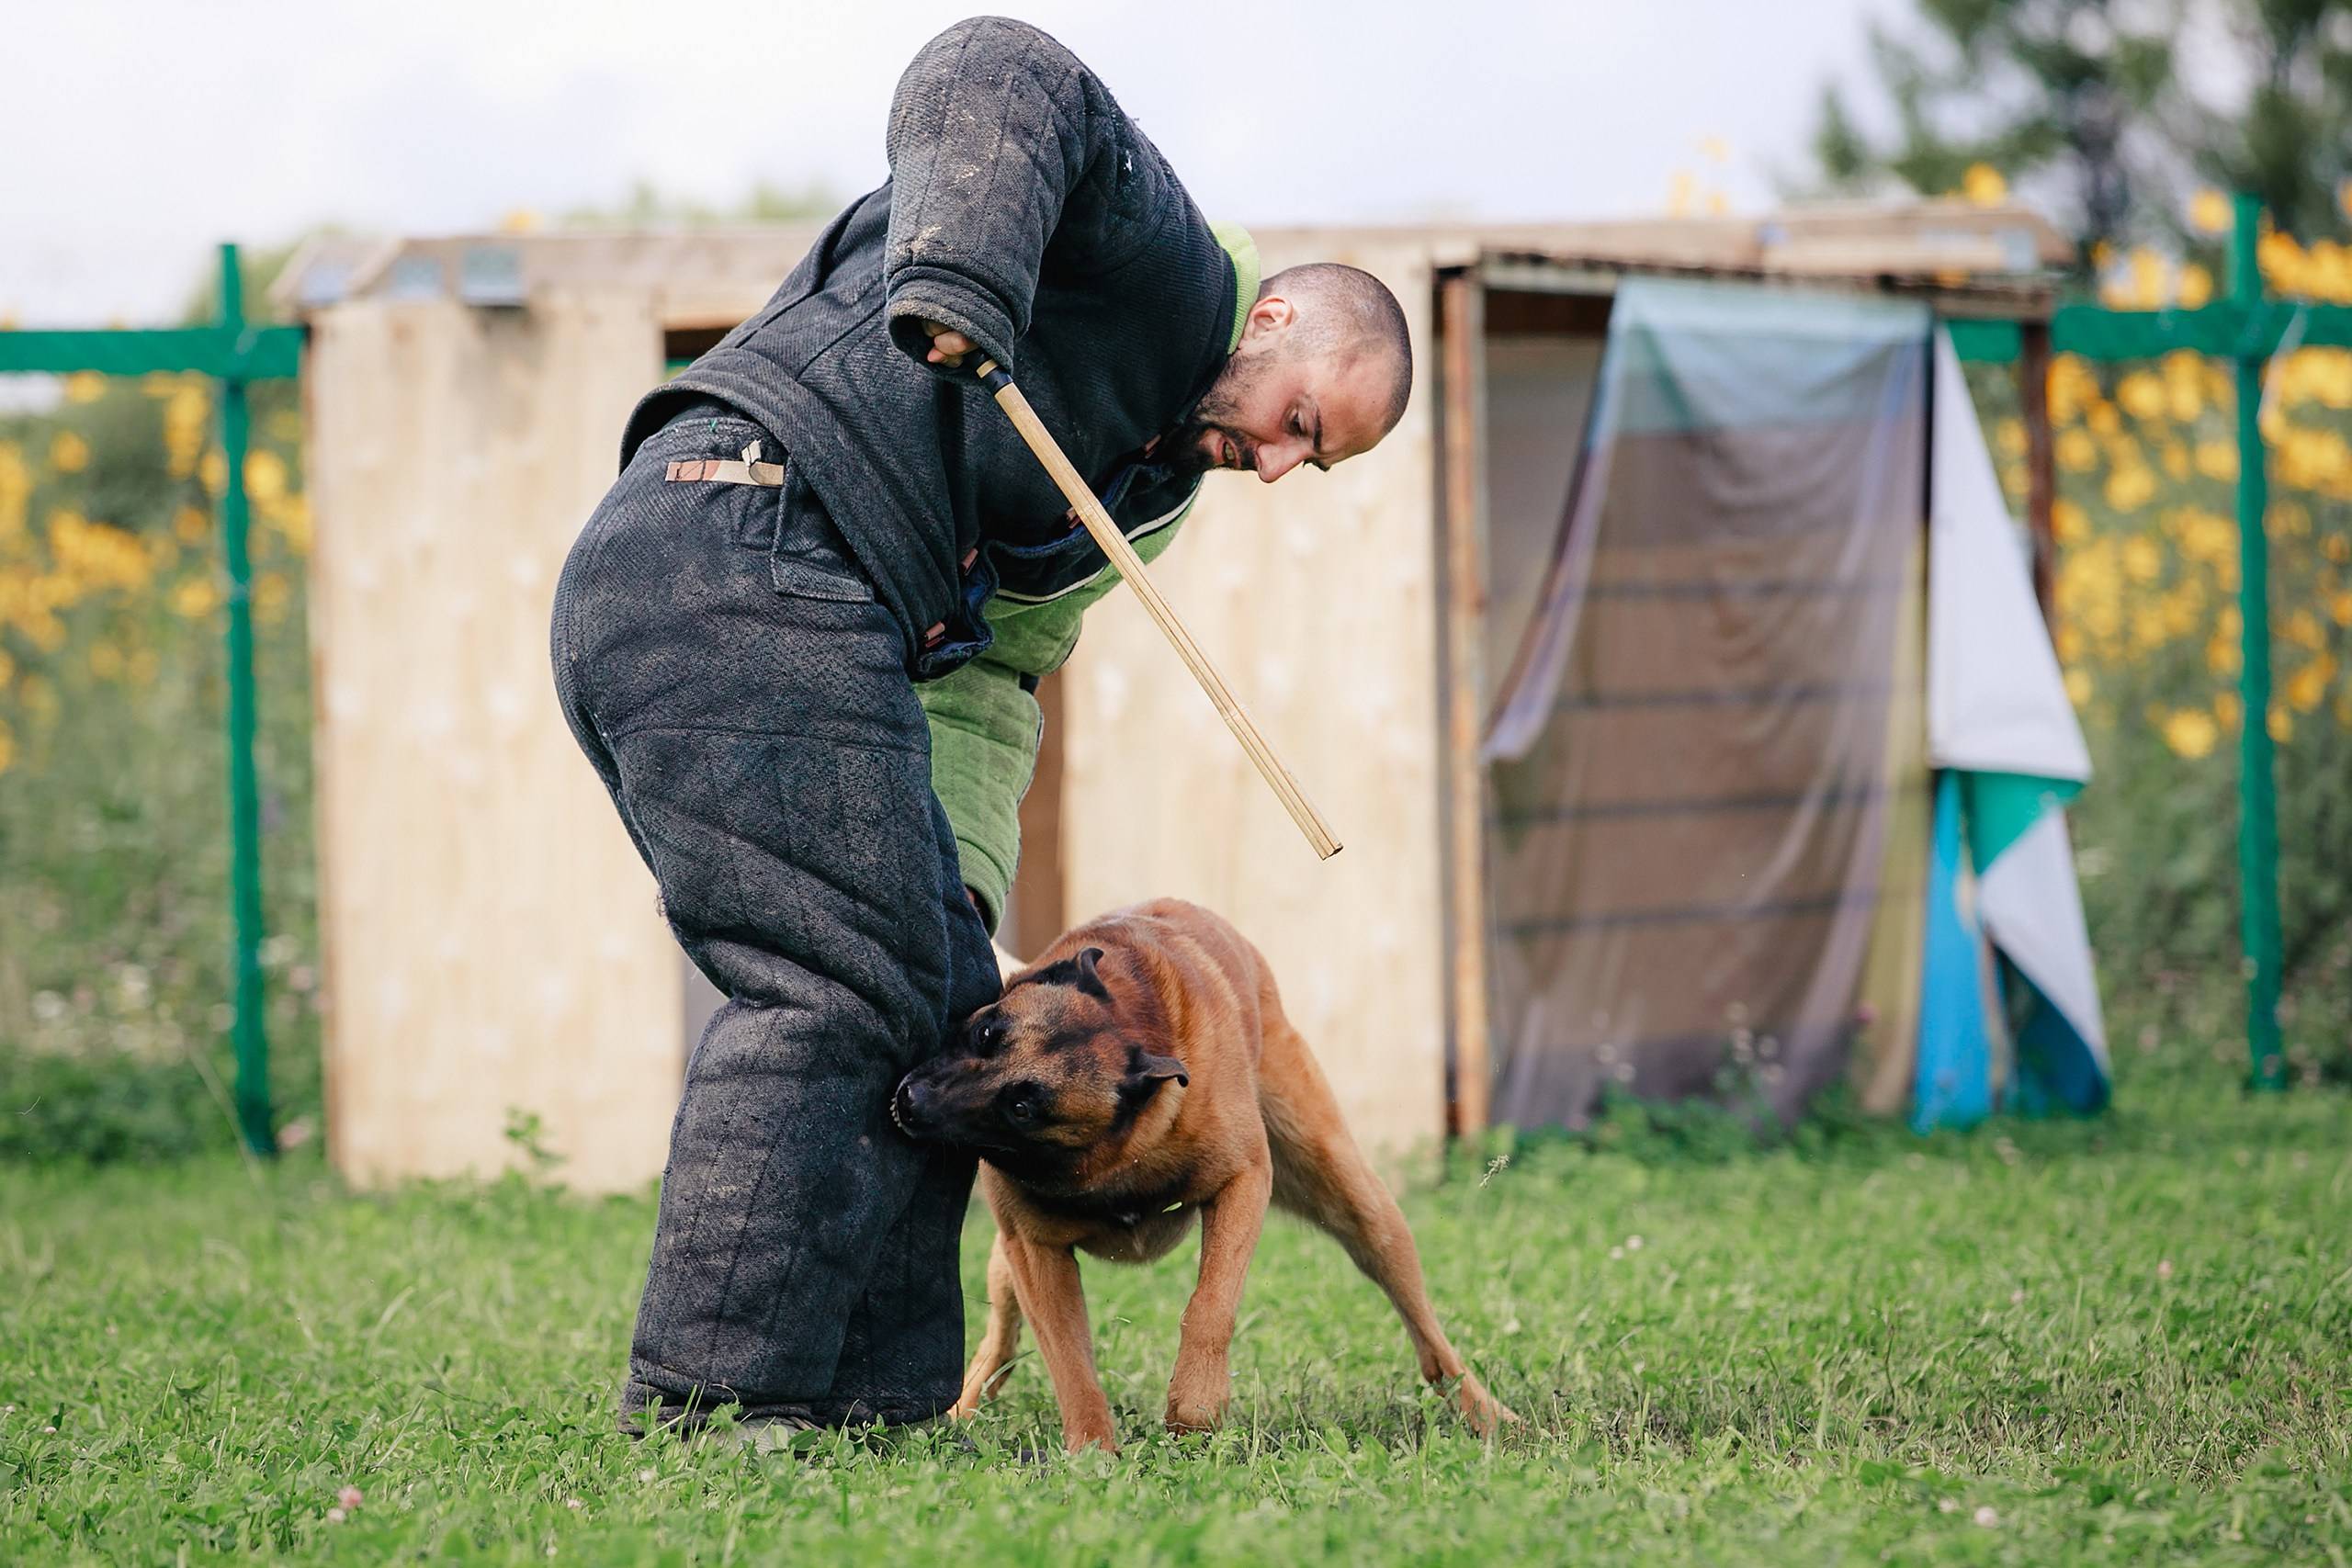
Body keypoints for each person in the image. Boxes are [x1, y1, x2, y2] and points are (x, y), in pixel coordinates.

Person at [550, 14, 1413, 1441]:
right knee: (830, 985)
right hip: (743, 533)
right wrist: (963, 275)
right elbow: (999, 67)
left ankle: (871, 1401)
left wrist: (956, 884)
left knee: (937, 991)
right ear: (1270, 328)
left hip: (766, 595)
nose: (1274, 466)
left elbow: (989, 682)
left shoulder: (1138, 496)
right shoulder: (1163, 266)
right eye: (1303, 424)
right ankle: (711, 1410)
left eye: (1306, 466)